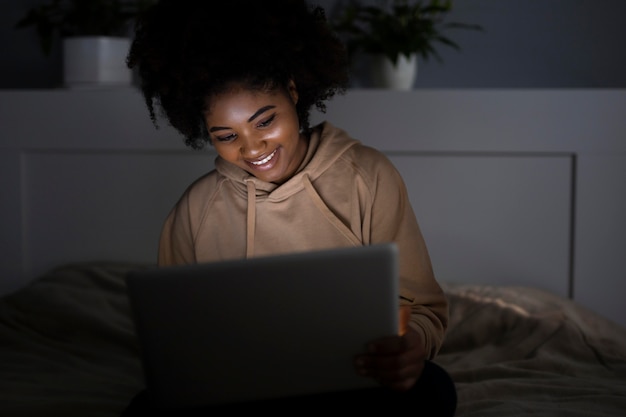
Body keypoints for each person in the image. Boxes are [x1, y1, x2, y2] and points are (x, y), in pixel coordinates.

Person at [123, 0, 455, 415]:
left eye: (264, 121)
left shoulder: (367, 176)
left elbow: (422, 307)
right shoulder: (194, 211)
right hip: (242, 392)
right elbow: (174, 339)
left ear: (293, 92)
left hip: (353, 383)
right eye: (226, 136)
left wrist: (411, 350)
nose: (252, 148)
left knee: (433, 389)